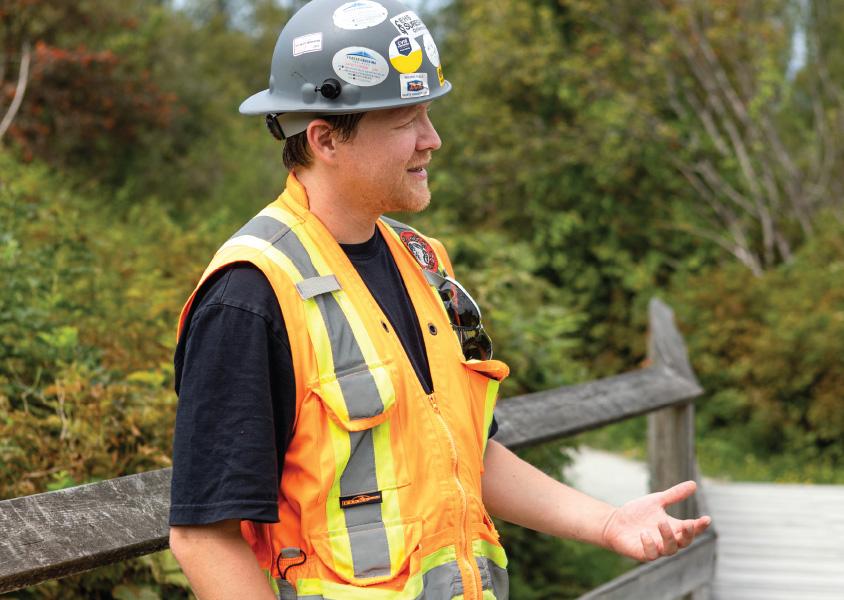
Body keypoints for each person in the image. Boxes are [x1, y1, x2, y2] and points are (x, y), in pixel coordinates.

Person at [167, 1, 712, 598]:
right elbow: (204, 538)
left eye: (428, 114)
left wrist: (608, 522)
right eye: (406, 121)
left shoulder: (422, 263)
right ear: (324, 138)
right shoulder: (249, 295)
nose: (433, 140)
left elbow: (465, 454)